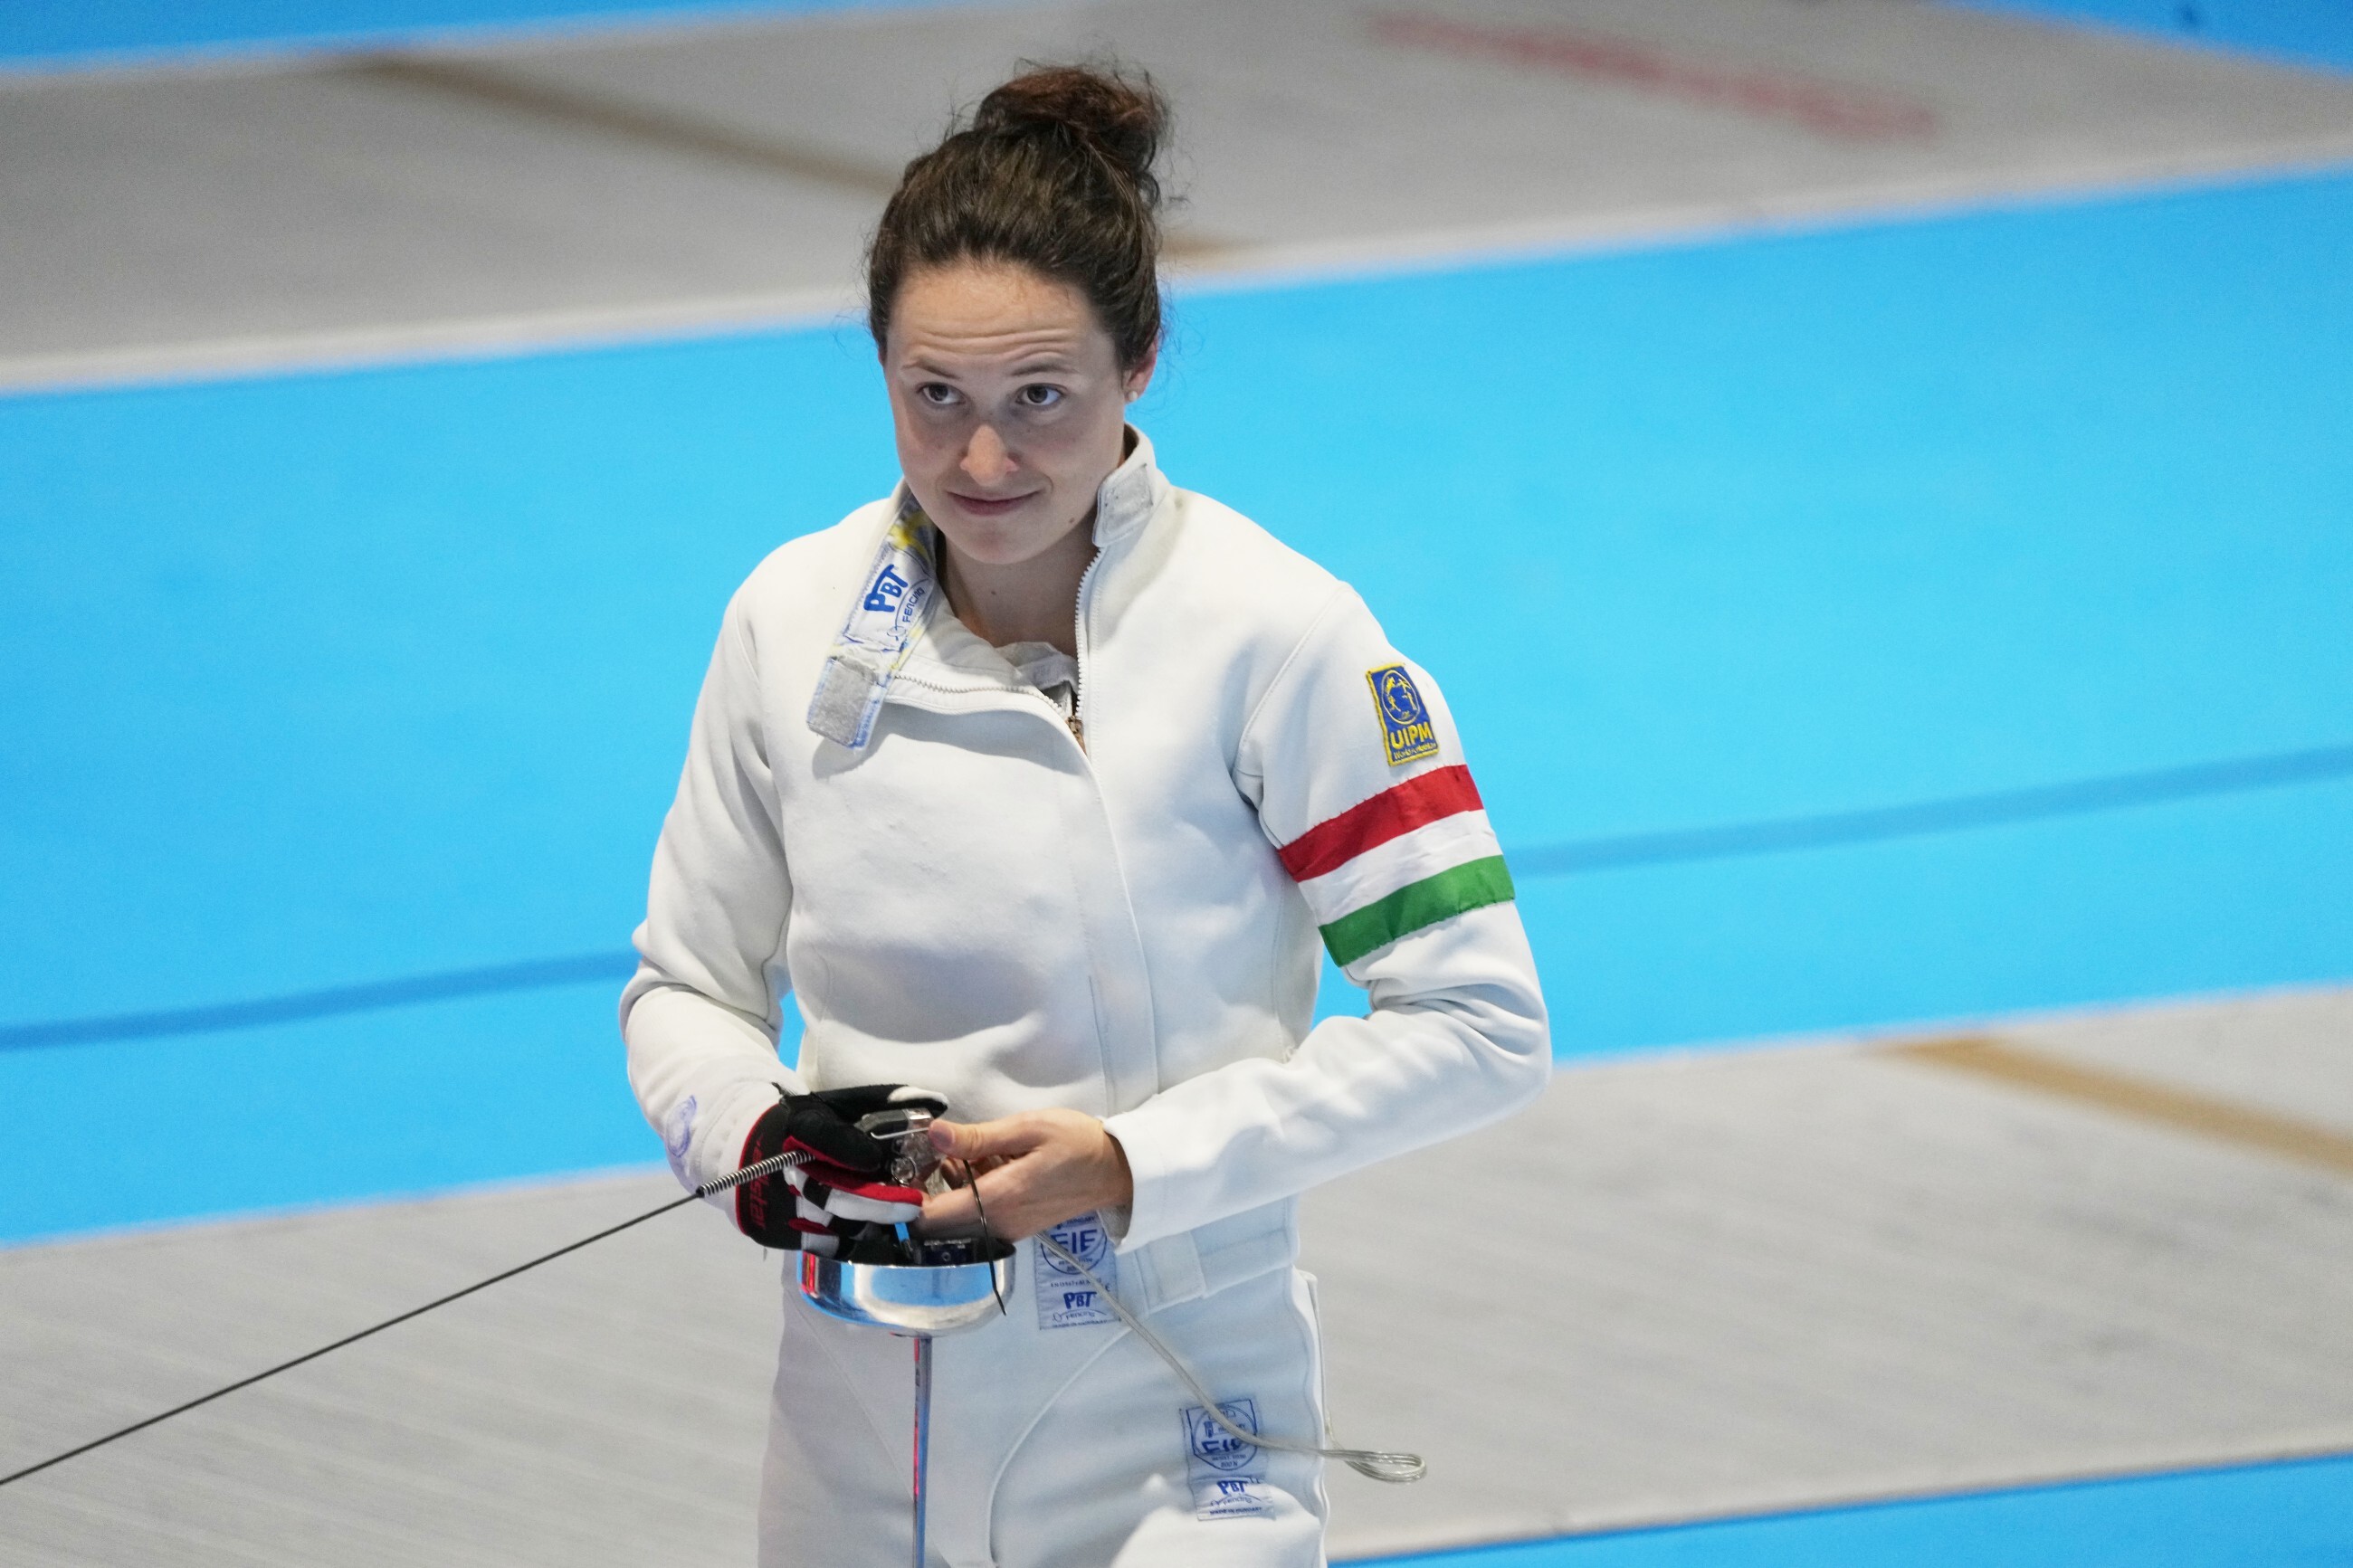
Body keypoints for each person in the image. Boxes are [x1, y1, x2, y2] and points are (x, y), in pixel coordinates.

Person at [622, 62, 1548, 1568]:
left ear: (1141, 363)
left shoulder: (1279, 635)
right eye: (935, 398)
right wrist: (756, 1138)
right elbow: (684, 988)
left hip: (1174, 1412)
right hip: (853, 1412)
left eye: (1039, 399)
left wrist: (1128, 1163)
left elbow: (1481, 1024)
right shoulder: (789, 619)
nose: (983, 460)